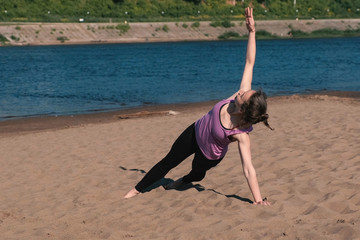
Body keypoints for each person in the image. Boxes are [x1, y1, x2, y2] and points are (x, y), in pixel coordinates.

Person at [124, 7, 272, 206]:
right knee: (168, 161)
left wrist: (258, 200)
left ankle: (181, 182)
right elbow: (249, 62)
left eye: (243, 95)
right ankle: (134, 191)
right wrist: (252, 32)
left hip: (209, 155)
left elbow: (248, 169)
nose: (241, 91)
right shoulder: (238, 96)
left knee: (196, 175)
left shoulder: (241, 135)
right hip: (195, 132)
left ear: (242, 110)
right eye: (244, 91)